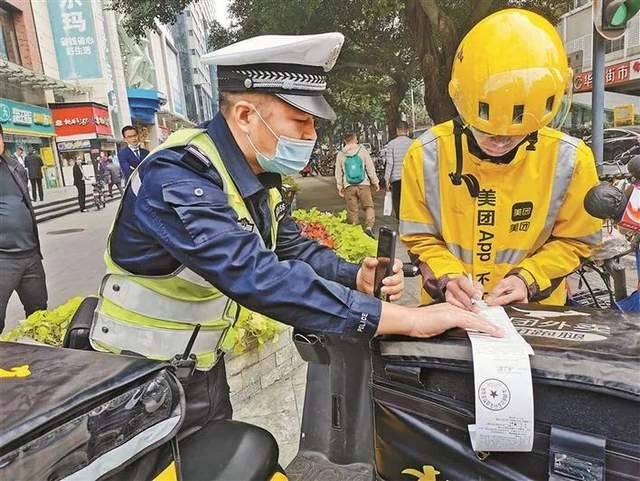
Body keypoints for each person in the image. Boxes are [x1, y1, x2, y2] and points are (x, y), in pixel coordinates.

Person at [92, 33, 500, 479]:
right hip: (134, 383)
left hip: (200, 372)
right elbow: (256, 275)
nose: (311, 135)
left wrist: (352, 276)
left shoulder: (254, 174)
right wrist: (407, 319)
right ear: (246, 115)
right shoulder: (179, 177)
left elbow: (291, 247)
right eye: (300, 121)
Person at [399, 9, 602, 309]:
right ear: (461, 101)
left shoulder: (571, 161)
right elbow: (419, 239)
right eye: (486, 129)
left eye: (516, 132)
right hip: (448, 312)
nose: (500, 141)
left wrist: (528, 278)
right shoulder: (427, 154)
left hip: (534, 313)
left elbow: (578, 241)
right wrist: (447, 277)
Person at [0, 124, 48, 333]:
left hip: (30, 255)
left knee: (39, 314)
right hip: (3, 259)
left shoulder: (14, 167)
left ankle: (40, 361)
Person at [335, 133, 380, 238]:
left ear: (345, 141)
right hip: (363, 184)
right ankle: (368, 227)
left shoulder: (341, 154)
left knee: (352, 210)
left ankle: (357, 231)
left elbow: (338, 172)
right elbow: (370, 167)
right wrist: (375, 182)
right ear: (355, 139)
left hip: (348, 186)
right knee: (368, 206)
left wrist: (340, 186)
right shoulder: (362, 150)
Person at [383, 121, 413, 220]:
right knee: (410, 200)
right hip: (410, 178)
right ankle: (410, 219)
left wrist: (387, 179)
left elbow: (390, 163)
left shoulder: (391, 144)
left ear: (397, 131)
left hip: (396, 178)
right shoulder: (413, 143)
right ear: (407, 130)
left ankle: (401, 220)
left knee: (397, 200)